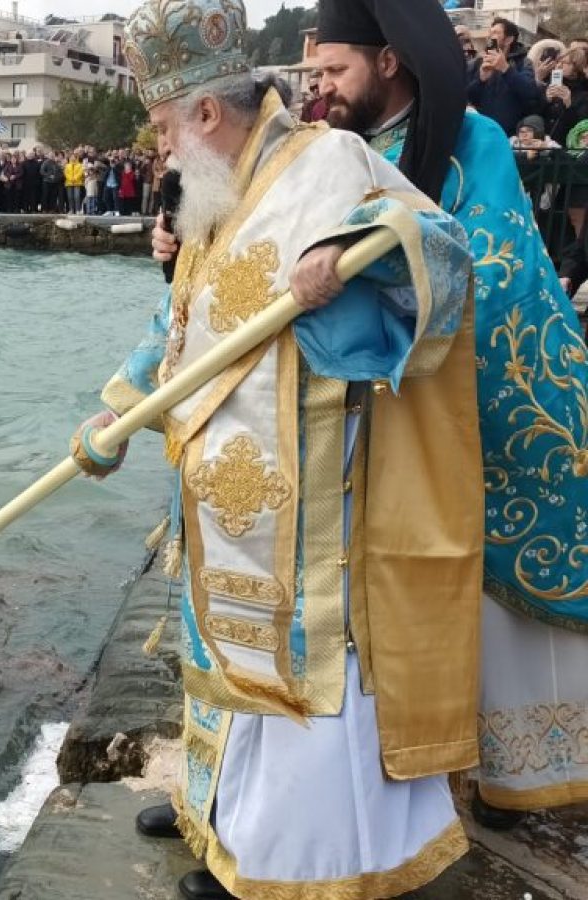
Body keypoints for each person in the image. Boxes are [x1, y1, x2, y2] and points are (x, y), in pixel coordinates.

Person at [110, 1, 481, 897]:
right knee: (219, 668)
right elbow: (181, 323)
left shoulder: (328, 162)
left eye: (164, 127)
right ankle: (220, 820)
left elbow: (445, 252)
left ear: (205, 114)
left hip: (314, 495)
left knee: (301, 685)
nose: (160, 149)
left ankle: (297, 865)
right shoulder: (216, 190)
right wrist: (114, 415)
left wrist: (362, 250)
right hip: (222, 487)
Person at [313, 0, 588, 832]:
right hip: (385, 404)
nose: (320, 88)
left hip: (494, 399)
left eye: (335, 70)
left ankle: (517, 772)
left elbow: (493, 265)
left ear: (389, 61)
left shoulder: (477, 140)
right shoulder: (336, 151)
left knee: (500, 611)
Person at [467, 16, 543, 136]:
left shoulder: (523, 62)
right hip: (483, 131)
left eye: (496, 32)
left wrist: (505, 68)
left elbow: (530, 93)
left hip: (510, 134)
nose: (491, 36)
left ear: (508, 39)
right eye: (490, 32)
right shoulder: (479, 62)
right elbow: (470, 97)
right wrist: (481, 79)